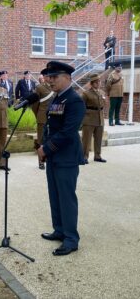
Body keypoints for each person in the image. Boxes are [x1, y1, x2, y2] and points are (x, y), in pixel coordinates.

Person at [37, 61, 86, 256]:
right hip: (53, 156)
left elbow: (68, 131)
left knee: (66, 198)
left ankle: (71, 239)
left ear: (67, 77)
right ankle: (59, 230)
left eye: (54, 77)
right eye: (49, 77)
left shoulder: (74, 100)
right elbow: (49, 126)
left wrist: (46, 149)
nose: (50, 80)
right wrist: (43, 147)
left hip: (66, 157)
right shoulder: (57, 98)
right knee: (54, 195)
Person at [32, 69, 54, 170]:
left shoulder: (55, 87)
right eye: (48, 76)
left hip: (53, 117)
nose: (50, 78)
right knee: (41, 140)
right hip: (42, 117)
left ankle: (50, 159)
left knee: (51, 140)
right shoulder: (39, 87)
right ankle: (41, 161)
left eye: (51, 76)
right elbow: (35, 104)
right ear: (44, 77)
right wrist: (38, 115)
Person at [81, 74, 106, 164]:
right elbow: (81, 106)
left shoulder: (102, 92)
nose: (98, 83)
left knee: (98, 139)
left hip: (100, 119)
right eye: (96, 82)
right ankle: (84, 156)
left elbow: (103, 104)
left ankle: (97, 156)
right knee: (86, 140)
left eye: (99, 82)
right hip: (89, 119)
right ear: (92, 84)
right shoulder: (86, 93)